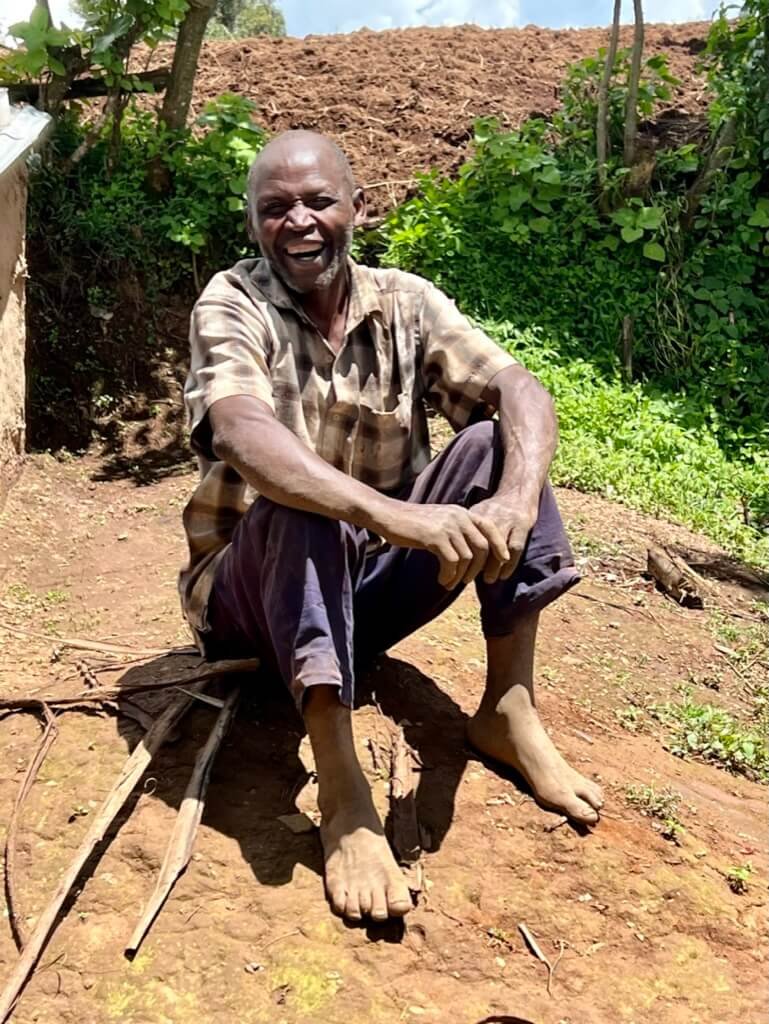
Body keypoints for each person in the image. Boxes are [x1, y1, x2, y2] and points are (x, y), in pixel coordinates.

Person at [179, 129, 603, 924]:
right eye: (275, 209)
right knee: (302, 501)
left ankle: (507, 710)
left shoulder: (404, 301)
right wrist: (395, 515)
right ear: (252, 227)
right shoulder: (233, 301)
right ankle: (341, 789)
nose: (298, 222)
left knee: (497, 443)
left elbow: (518, 385)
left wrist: (512, 498)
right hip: (251, 612)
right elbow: (238, 429)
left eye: (317, 201)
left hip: (357, 601)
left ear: (358, 208)